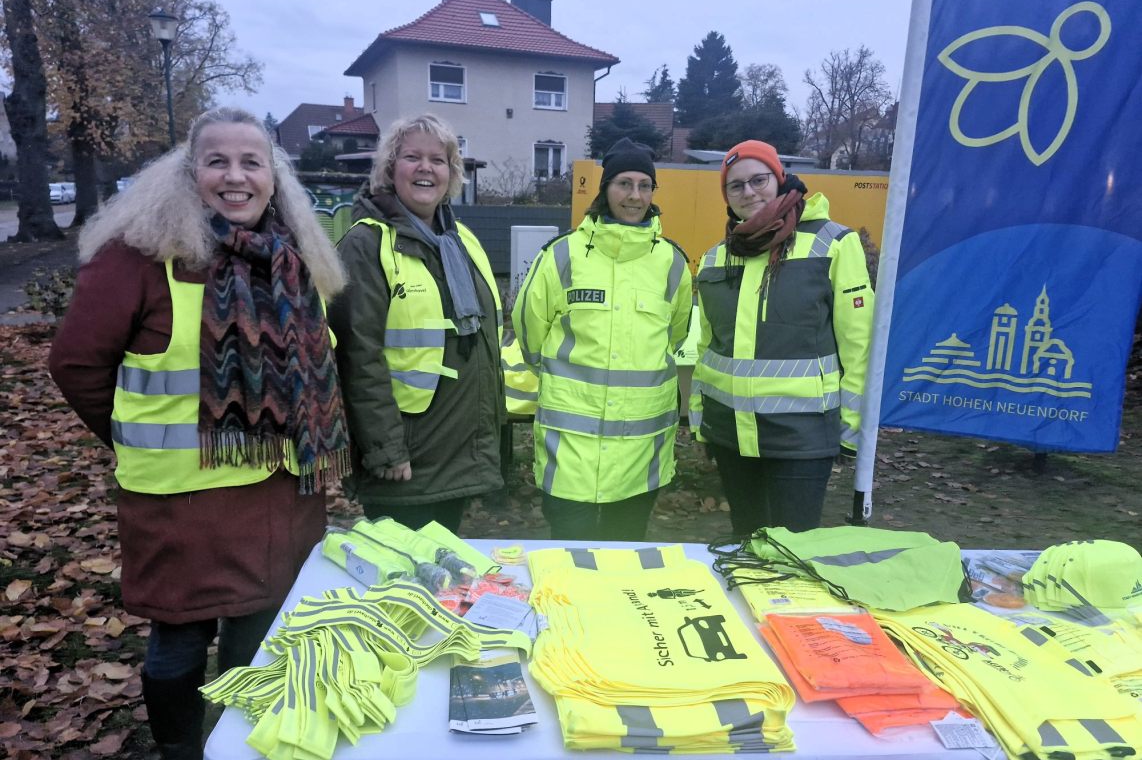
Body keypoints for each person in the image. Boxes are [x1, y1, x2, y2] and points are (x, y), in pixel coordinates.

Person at [48, 107, 350, 760]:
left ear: (274, 177)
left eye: (252, 162)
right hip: (182, 503)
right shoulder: (139, 258)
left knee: (258, 636)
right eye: (218, 161)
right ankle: (182, 751)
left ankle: (239, 745)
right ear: (190, 173)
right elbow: (76, 364)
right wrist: (135, 435)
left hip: (275, 495)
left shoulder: (293, 259)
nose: (235, 176)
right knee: (178, 645)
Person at [327, 113, 503, 534]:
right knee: (403, 584)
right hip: (405, 461)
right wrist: (385, 450)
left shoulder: (460, 241)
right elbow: (357, 358)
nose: (426, 168)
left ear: (451, 173)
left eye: (438, 160)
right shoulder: (367, 243)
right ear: (390, 169)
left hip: (458, 453)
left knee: (446, 584)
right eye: (412, 157)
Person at [689, 140, 873, 538]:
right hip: (731, 435)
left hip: (802, 438)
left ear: (780, 180)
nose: (749, 192)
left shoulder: (833, 244)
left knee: (794, 552)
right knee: (748, 542)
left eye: (759, 180)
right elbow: (708, 350)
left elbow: (860, 347)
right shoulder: (715, 258)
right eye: (736, 186)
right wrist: (702, 423)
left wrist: (853, 431)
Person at [513, 138, 691, 541]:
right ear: (605, 189)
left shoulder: (671, 261)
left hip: (639, 449)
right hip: (572, 448)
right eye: (624, 183)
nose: (635, 195)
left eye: (645, 185)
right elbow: (529, 331)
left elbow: (675, 334)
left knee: (625, 559)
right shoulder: (563, 255)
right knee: (569, 558)